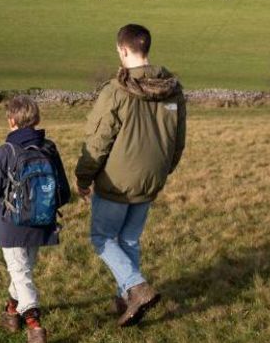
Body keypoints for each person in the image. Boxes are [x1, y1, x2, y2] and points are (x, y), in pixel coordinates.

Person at [75, 23, 186, 326]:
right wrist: (161, 172)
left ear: (122, 50)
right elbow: (178, 143)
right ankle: (127, 300)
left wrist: (83, 178)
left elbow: (97, 142)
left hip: (116, 183)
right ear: (146, 49)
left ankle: (136, 288)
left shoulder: (116, 91)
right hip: (151, 179)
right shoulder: (173, 91)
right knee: (129, 240)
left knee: (101, 238)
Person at [0, 95, 71, 343]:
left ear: (12, 120)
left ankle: (35, 328)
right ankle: (10, 312)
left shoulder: (6, 151)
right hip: (42, 223)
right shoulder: (49, 148)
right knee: (22, 271)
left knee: (21, 273)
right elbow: (63, 190)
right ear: (36, 120)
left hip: (11, 225)